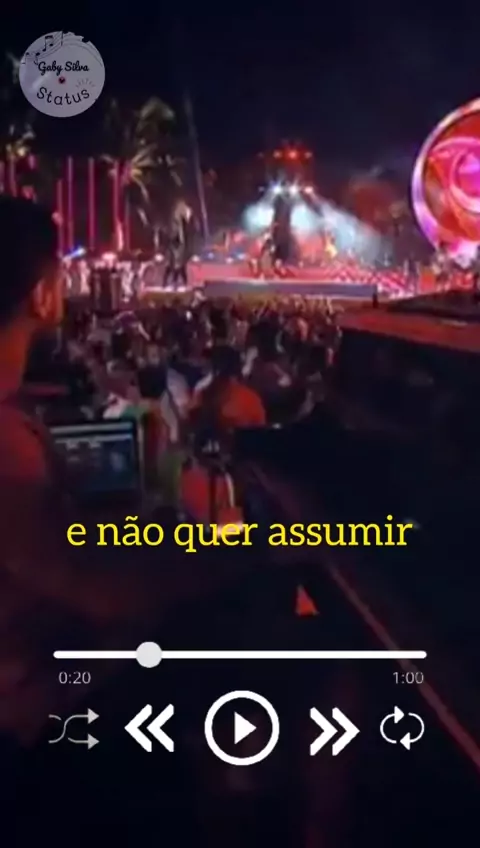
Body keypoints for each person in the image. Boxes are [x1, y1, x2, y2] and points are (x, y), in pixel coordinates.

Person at [0, 197, 255, 747]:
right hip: (35, 715)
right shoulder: (6, 441)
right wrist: (237, 551)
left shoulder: (17, 424)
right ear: (43, 295)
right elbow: (101, 587)